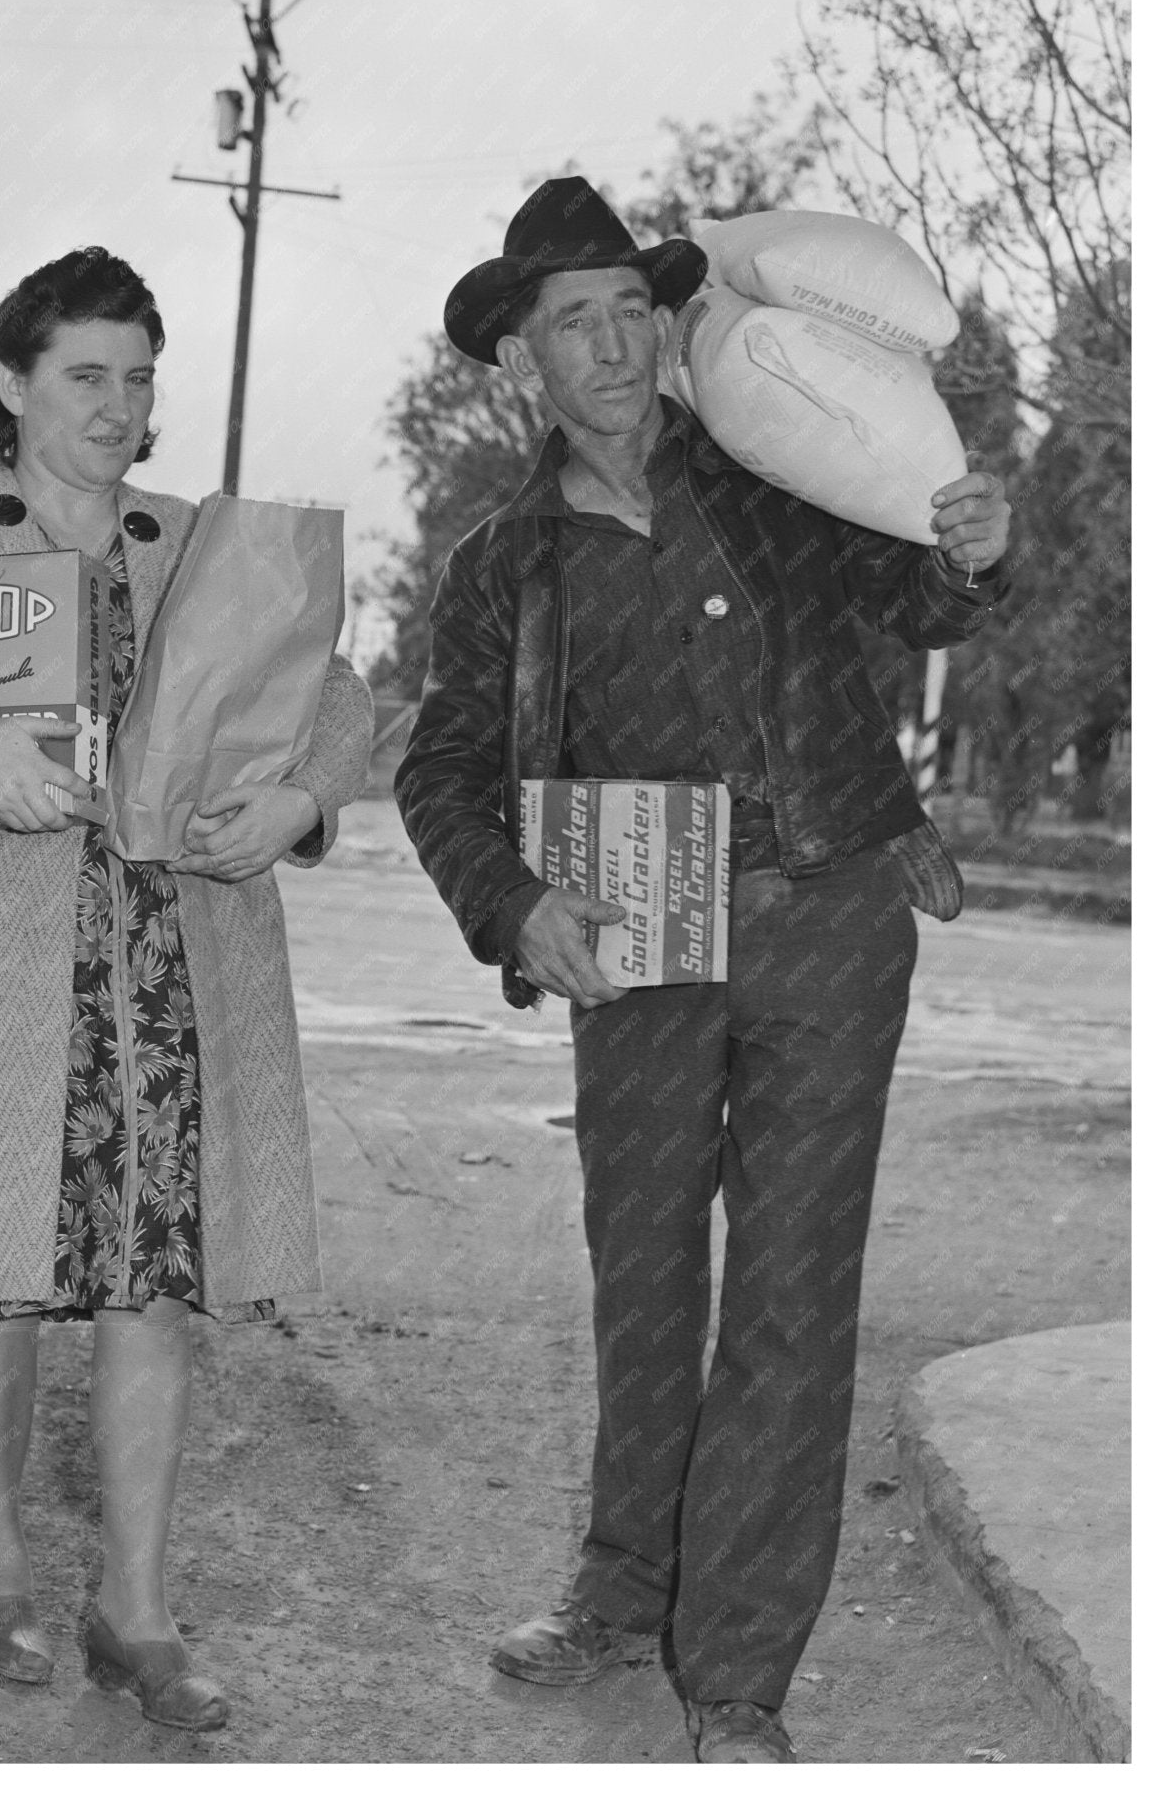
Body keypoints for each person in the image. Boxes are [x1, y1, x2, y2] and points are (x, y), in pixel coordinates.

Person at [394, 180, 1011, 1764]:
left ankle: (735, 1678)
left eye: (627, 310)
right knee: (648, 1278)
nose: (608, 345)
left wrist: (972, 548)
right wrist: (514, 906)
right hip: (633, 942)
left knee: (796, 1299)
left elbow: (913, 591)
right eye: (568, 322)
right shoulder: (497, 565)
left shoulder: (776, 471)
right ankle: (622, 1584)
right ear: (516, 357)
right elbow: (441, 771)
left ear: (669, 322)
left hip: (829, 917)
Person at [0, 246, 372, 1730]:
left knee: (156, 1281)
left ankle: (139, 1611)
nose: (119, 405)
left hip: (172, 965)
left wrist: (300, 800)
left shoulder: (205, 543)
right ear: (15, 383)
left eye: (141, 377)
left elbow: (341, 698)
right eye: (87, 374)